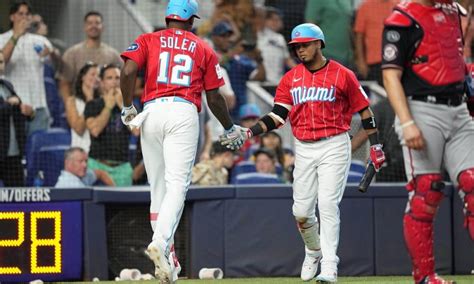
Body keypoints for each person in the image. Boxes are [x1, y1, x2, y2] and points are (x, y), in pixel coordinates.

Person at [221, 23, 385, 282]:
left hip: (335, 143)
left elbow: (365, 111)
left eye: (305, 44)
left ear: (319, 43)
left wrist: (374, 146)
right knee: (301, 211)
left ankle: (330, 265)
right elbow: (277, 116)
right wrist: (250, 132)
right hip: (304, 146)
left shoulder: (343, 74)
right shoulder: (290, 78)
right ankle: (313, 251)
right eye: (296, 46)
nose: (300, 50)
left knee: (328, 204)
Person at [119, 0, 244, 282]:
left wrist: (128, 107)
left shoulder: (147, 39)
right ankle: (161, 243)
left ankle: (168, 261)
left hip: (150, 111)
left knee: (158, 188)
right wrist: (229, 126)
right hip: (182, 111)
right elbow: (214, 96)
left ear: (168, 19)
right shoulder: (202, 47)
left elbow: (127, 72)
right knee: (178, 185)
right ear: (190, 21)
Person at [382, 1, 474, 283]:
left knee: (473, 183)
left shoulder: (452, 11)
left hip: (459, 108)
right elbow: (389, 74)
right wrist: (407, 122)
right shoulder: (402, 18)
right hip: (421, 109)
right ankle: (425, 277)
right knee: (426, 192)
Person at [0, 1, 52, 135]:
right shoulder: (1, 39)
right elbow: (2, 60)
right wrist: (16, 35)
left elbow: (52, 59)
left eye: (27, 14)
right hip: (14, 106)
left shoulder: (39, 40)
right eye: (20, 14)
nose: (24, 17)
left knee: (39, 152)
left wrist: (50, 53)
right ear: (12, 17)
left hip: (39, 106)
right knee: (16, 153)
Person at [60, 10, 122, 122]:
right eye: (90, 23)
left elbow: (122, 82)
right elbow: (64, 84)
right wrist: (70, 108)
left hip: (107, 108)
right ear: (84, 27)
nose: (94, 26)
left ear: (102, 27)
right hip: (80, 107)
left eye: (97, 23)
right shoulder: (72, 53)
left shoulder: (113, 55)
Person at [85, 64, 134, 186]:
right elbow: (95, 130)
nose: (114, 82)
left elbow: (136, 130)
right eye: (109, 78)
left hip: (123, 168)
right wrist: (108, 107)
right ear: (102, 82)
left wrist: (122, 106)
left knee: (124, 205)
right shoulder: (93, 105)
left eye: (117, 78)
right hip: (98, 165)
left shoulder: (129, 105)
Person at [0, 50, 29, 187]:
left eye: (1, 62)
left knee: (18, 196)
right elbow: (9, 106)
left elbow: (17, 111)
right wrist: (8, 103)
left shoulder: (7, 85)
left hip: (13, 152)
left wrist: (28, 113)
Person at [354, 0, 399, 85]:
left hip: (395, 61)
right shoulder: (365, 6)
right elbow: (359, 36)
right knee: (377, 95)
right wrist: (360, 62)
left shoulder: (398, 5)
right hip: (374, 62)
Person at [67, 62, 100, 152]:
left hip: (99, 152)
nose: (96, 78)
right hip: (80, 151)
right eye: (92, 74)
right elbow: (79, 129)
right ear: (83, 77)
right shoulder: (72, 101)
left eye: (98, 75)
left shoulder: (103, 100)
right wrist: (89, 101)